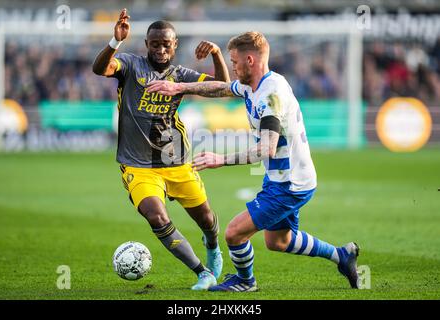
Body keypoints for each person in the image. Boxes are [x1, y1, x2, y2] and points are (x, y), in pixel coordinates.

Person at [147, 31, 360, 292]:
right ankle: (342, 256)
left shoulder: (272, 95)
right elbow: (222, 88)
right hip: (281, 178)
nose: (233, 68)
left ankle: (246, 282)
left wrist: (220, 159)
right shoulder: (252, 85)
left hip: (290, 183)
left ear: (250, 60)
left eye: (234, 62)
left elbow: (267, 149)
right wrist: (180, 87)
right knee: (279, 241)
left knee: (234, 233)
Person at [92, 9, 230, 290]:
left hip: (176, 160)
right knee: (157, 216)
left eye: (166, 44)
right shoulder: (130, 66)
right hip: (137, 165)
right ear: (146, 45)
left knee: (205, 218)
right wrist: (115, 42)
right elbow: (100, 69)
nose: (161, 49)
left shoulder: (181, 75)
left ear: (175, 45)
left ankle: (213, 247)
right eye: (155, 44)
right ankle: (202, 272)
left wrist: (216, 54)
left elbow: (224, 89)